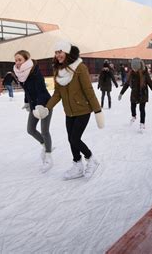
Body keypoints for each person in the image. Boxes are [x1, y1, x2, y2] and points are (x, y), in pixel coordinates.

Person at [33, 41, 104, 180]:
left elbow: (88, 91)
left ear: (67, 52)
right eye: (56, 52)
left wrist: (98, 111)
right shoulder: (58, 71)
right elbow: (57, 94)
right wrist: (47, 108)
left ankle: (91, 159)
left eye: (60, 51)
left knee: (74, 139)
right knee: (71, 140)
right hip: (69, 112)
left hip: (83, 110)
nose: (58, 55)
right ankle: (77, 165)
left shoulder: (80, 67)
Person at [13, 50, 54, 173]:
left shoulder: (35, 73)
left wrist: (41, 106)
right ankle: (45, 145)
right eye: (16, 60)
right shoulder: (21, 74)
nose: (17, 62)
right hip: (33, 105)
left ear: (26, 60)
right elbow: (27, 91)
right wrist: (27, 102)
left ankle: (48, 156)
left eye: (20, 60)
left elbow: (41, 91)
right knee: (30, 129)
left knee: (45, 130)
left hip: (45, 104)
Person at [118, 58, 152, 132]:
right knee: (132, 106)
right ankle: (134, 116)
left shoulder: (144, 73)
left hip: (142, 94)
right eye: (133, 68)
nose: (134, 70)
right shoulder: (131, 73)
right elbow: (127, 84)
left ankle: (142, 123)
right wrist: (121, 93)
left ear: (139, 67)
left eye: (136, 68)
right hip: (134, 93)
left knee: (142, 109)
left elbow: (150, 83)